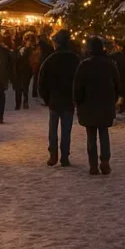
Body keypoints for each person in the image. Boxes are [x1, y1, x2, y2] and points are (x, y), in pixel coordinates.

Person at [74, 36, 119, 175]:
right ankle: (105, 161)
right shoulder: (110, 64)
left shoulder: (84, 65)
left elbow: (77, 87)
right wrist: (113, 99)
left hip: (88, 105)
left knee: (91, 136)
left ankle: (93, 164)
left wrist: (78, 101)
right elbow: (117, 84)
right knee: (104, 133)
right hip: (105, 104)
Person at [38, 29, 80, 167]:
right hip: (69, 100)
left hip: (54, 100)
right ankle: (64, 156)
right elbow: (80, 80)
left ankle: (53, 154)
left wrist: (46, 98)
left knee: (53, 129)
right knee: (66, 130)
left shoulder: (51, 59)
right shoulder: (75, 59)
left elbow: (42, 80)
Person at [12, 33, 33, 110]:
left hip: (26, 71)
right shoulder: (19, 48)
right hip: (19, 70)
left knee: (25, 87)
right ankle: (18, 104)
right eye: (27, 40)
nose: (28, 42)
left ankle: (25, 102)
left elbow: (29, 59)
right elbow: (15, 58)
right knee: (18, 88)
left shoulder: (30, 50)